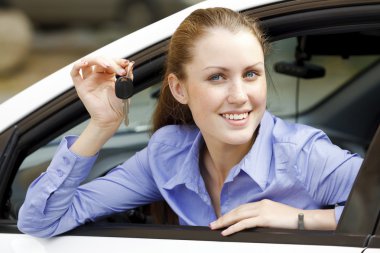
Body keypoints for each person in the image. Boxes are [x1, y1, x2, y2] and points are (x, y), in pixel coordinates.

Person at [17, 7, 362, 238]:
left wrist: (299, 219)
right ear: (179, 89)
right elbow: (40, 220)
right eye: (217, 77)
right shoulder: (168, 154)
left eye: (251, 74)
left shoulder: (303, 156)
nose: (240, 95)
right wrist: (102, 124)